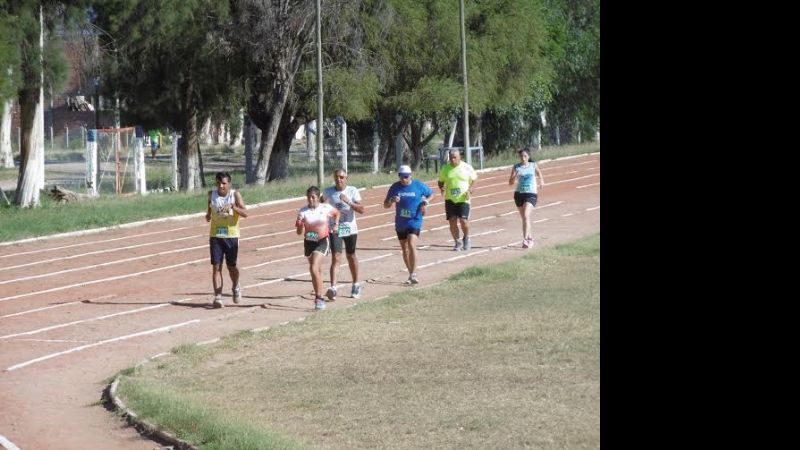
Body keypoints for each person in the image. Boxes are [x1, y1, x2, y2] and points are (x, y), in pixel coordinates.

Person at [384, 165, 434, 284]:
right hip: (401, 222)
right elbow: (385, 205)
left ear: (410, 176)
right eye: (401, 177)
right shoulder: (395, 187)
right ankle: (411, 273)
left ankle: (414, 274)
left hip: (415, 220)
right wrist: (391, 200)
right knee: (404, 249)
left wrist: (425, 202)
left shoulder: (418, 185)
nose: (403, 179)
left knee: (411, 244)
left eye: (406, 177)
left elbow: (431, 194)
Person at [205, 172, 248, 308]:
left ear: (229, 184)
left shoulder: (235, 195)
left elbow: (245, 213)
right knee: (216, 267)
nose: (221, 186)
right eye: (218, 183)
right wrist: (208, 215)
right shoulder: (211, 195)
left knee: (231, 266)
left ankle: (235, 286)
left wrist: (233, 207)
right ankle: (218, 296)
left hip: (231, 236)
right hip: (216, 235)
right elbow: (209, 210)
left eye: (224, 183)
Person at [322, 169, 365, 300]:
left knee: (351, 255)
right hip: (335, 228)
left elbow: (362, 209)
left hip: (350, 228)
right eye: (336, 177)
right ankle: (333, 288)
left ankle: (356, 284)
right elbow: (321, 207)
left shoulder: (352, 191)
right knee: (336, 256)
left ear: (346, 178)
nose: (339, 179)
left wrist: (349, 202)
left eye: (341, 177)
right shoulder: (328, 192)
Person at [296, 186, 340, 311]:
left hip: (322, 241)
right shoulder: (302, 211)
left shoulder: (325, 207)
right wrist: (299, 224)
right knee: (316, 271)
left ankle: (319, 299)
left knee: (313, 267)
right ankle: (319, 292)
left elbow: (337, 213)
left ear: (318, 197)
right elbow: (299, 232)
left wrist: (336, 225)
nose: (310, 199)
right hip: (309, 242)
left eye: (313, 197)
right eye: (308, 197)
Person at [438, 149, 478, 251]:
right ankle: (457, 242)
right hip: (450, 199)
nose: (452, 160)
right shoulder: (445, 168)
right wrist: (441, 188)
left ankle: (466, 237)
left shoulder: (466, 167)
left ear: (459, 157)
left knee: (463, 220)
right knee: (452, 221)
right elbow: (440, 181)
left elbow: (474, 179)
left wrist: (470, 190)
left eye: (455, 157)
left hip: (463, 199)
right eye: (451, 158)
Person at [509, 148, 545, 248]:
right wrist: (514, 176)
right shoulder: (516, 167)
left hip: (531, 194)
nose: (523, 158)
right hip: (519, 195)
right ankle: (530, 238)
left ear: (528, 157)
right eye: (521, 156)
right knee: (525, 218)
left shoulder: (533, 165)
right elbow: (510, 183)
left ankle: (525, 240)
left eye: (525, 156)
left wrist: (541, 181)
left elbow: (539, 173)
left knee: (526, 215)